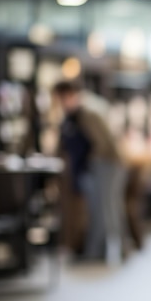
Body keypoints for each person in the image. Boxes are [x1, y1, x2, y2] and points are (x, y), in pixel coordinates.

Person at [54, 80, 126, 264]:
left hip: (106, 165)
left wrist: (90, 163)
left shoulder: (87, 114)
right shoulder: (73, 116)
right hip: (99, 166)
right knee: (101, 209)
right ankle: (99, 250)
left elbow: (101, 144)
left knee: (105, 209)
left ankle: (105, 251)